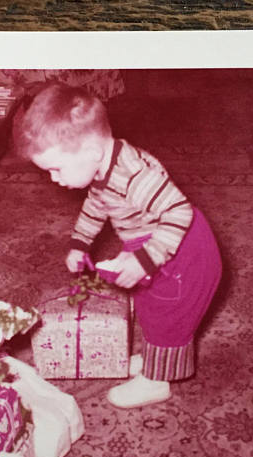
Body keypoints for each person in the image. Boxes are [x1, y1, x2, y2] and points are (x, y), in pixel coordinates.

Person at [14, 82, 222, 408]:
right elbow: (97, 206)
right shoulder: (101, 167)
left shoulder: (135, 176)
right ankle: (157, 361)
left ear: (92, 152)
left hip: (182, 250)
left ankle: (157, 382)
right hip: (154, 241)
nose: (54, 178)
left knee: (168, 315)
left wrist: (145, 259)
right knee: (150, 309)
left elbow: (178, 212)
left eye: (56, 168)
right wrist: (80, 243)